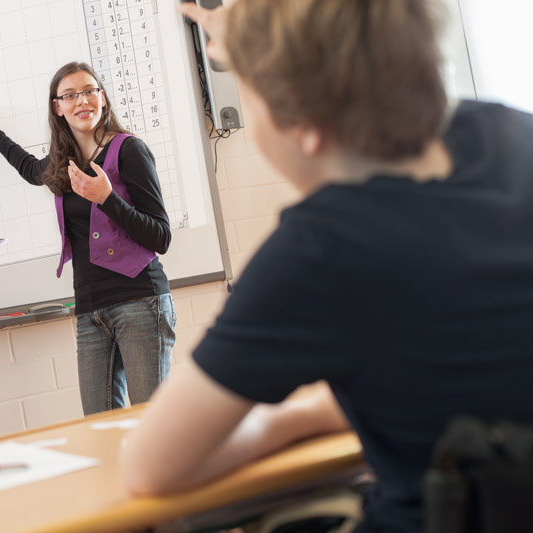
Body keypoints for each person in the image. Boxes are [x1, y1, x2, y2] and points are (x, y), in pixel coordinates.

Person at [121, 1, 533, 532]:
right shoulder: (508, 135)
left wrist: (293, 421)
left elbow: (150, 467)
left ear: (302, 123)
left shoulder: (321, 248)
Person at [0, 62, 176, 416]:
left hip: (140, 302)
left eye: (89, 91)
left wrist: (107, 199)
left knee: (152, 422)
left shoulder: (129, 149)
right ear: (58, 107)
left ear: (102, 97)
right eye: (70, 95)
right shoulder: (63, 163)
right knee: (99, 426)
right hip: (89, 309)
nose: (82, 101)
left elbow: (160, 236)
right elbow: (28, 168)